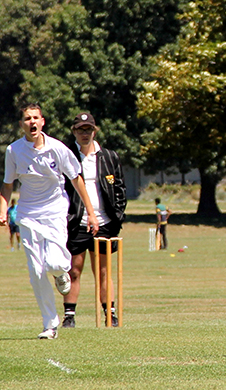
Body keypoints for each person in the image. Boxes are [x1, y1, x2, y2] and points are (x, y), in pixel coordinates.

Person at [0, 104, 99, 340]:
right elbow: (7, 184)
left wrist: (91, 214)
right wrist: (3, 212)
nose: (31, 122)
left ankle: (61, 272)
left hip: (54, 211)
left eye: (35, 118)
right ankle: (50, 324)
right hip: (28, 214)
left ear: (42, 121)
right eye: (26, 119)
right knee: (36, 270)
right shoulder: (13, 151)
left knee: (54, 263)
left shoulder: (57, 148)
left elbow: (76, 179)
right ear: (22, 124)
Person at [62, 112, 127, 328]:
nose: (85, 133)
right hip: (77, 222)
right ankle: (69, 316)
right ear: (74, 131)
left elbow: (119, 189)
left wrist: (117, 215)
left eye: (88, 129)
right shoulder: (68, 155)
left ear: (95, 131)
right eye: (81, 129)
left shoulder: (109, 156)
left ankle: (110, 313)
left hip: (105, 223)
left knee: (103, 271)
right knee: (74, 269)